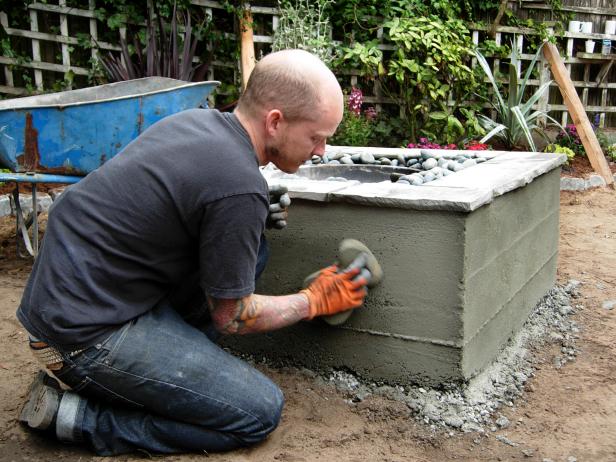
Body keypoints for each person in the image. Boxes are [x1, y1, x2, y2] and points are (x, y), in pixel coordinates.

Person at [16, 49, 369, 456]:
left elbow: (169, 202)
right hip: (82, 337)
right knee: (258, 412)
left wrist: (241, 219)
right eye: (317, 136)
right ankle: (79, 419)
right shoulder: (237, 185)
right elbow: (233, 317)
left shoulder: (198, 123)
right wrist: (314, 301)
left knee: (253, 252)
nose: (322, 150)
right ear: (275, 121)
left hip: (73, 297)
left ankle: (171, 377)